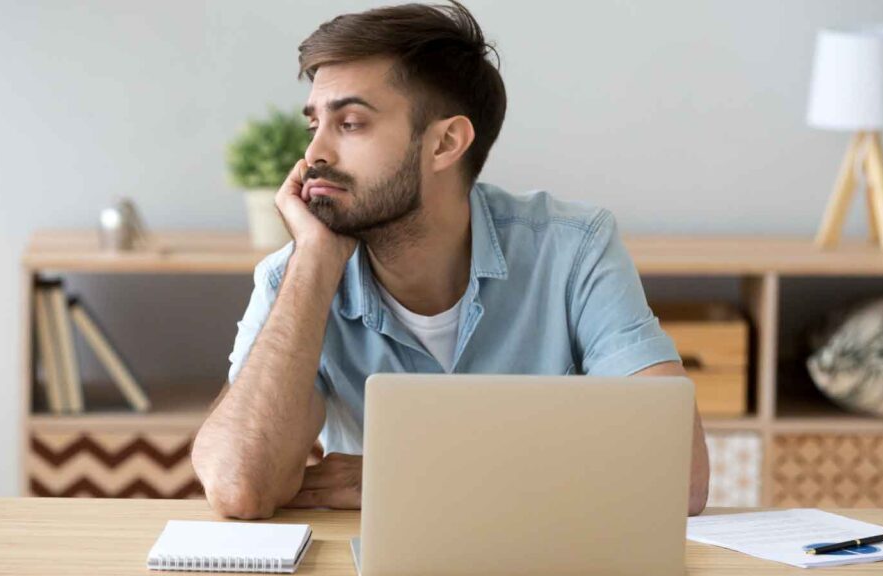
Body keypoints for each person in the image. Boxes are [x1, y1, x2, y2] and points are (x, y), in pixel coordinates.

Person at [191, 0, 709, 520]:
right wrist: (313, 264)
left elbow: (677, 478)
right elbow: (240, 486)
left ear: (445, 143)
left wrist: (408, 476)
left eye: (349, 123)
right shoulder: (295, 275)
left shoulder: (572, 249)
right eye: (314, 127)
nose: (314, 156)